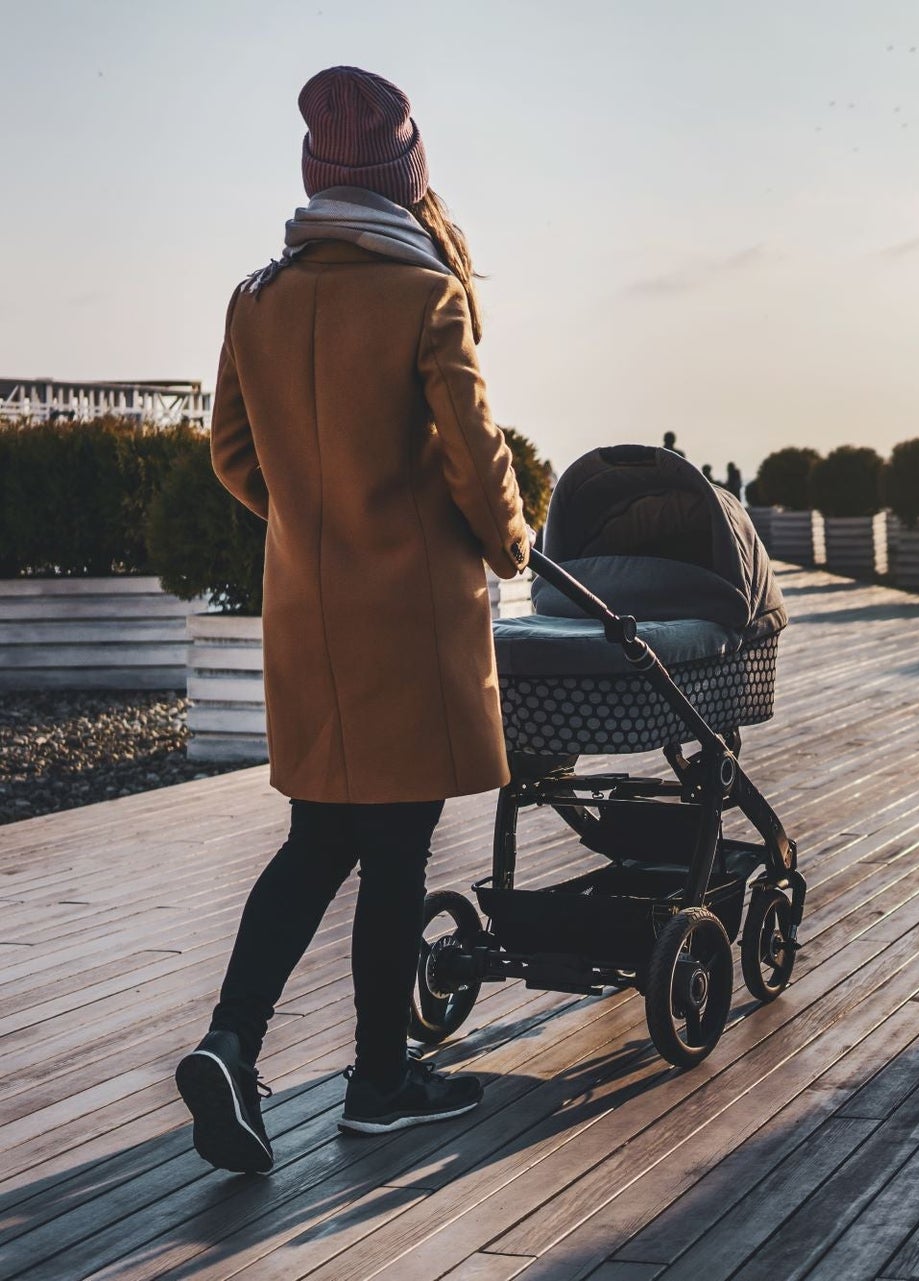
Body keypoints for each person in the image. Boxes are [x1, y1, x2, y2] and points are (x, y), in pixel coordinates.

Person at [173, 66, 529, 1175]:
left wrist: (309, 525)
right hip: (409, 619)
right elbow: (475, 456)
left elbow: (233, 452)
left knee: (317, 838)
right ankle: (379, 1085)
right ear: (405, 178)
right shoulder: (427, 295)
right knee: (395, 847)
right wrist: (510, 542)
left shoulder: (258, 298)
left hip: (309, 617)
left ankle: (232, 1041)